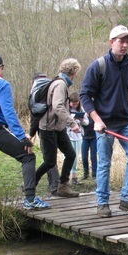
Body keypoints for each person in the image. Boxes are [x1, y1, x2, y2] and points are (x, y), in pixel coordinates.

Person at [80, 25, 128, 218]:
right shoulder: (98, 66)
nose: (124, 45)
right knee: (104, 163)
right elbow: (85, 95)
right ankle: (102, 203)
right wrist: (96, 120)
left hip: (126, 121)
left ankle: (127, 198)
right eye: (121, 41)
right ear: (112, 42)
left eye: (127, 41)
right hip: (104, 124)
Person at [0, 54, 50, 209]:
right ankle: (30, 199)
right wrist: (23, 137)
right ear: (2, 67)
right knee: (28, 156)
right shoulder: (2, 85)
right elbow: (9, 113)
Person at [34, 59, 82, 198]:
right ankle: (31, 183)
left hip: (58, 127)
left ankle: (63, 186)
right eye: (76, 72)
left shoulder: (60, 82)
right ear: (73, 72)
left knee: (71, 154)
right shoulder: (60, 84)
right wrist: (72, 123)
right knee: (50, 162)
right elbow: (58, 106)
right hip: (49, 128)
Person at [68, 92, 89, 185]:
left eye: (76, 104)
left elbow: (87, 122)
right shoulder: (66, 109)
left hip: (78, 136)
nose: (74, 105)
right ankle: (66, 177)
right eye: (73, 103)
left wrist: (81, 120)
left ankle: (74, 177)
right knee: (69, 156)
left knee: (76, 157)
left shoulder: (81, 109)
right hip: (69, 135)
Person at [81, 103, 98, 181]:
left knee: (93, 156)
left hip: (94, 137)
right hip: (85, 138)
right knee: (84, 156)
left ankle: (94, 174)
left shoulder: (95, 114)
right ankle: (86, 173)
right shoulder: (82, 113)